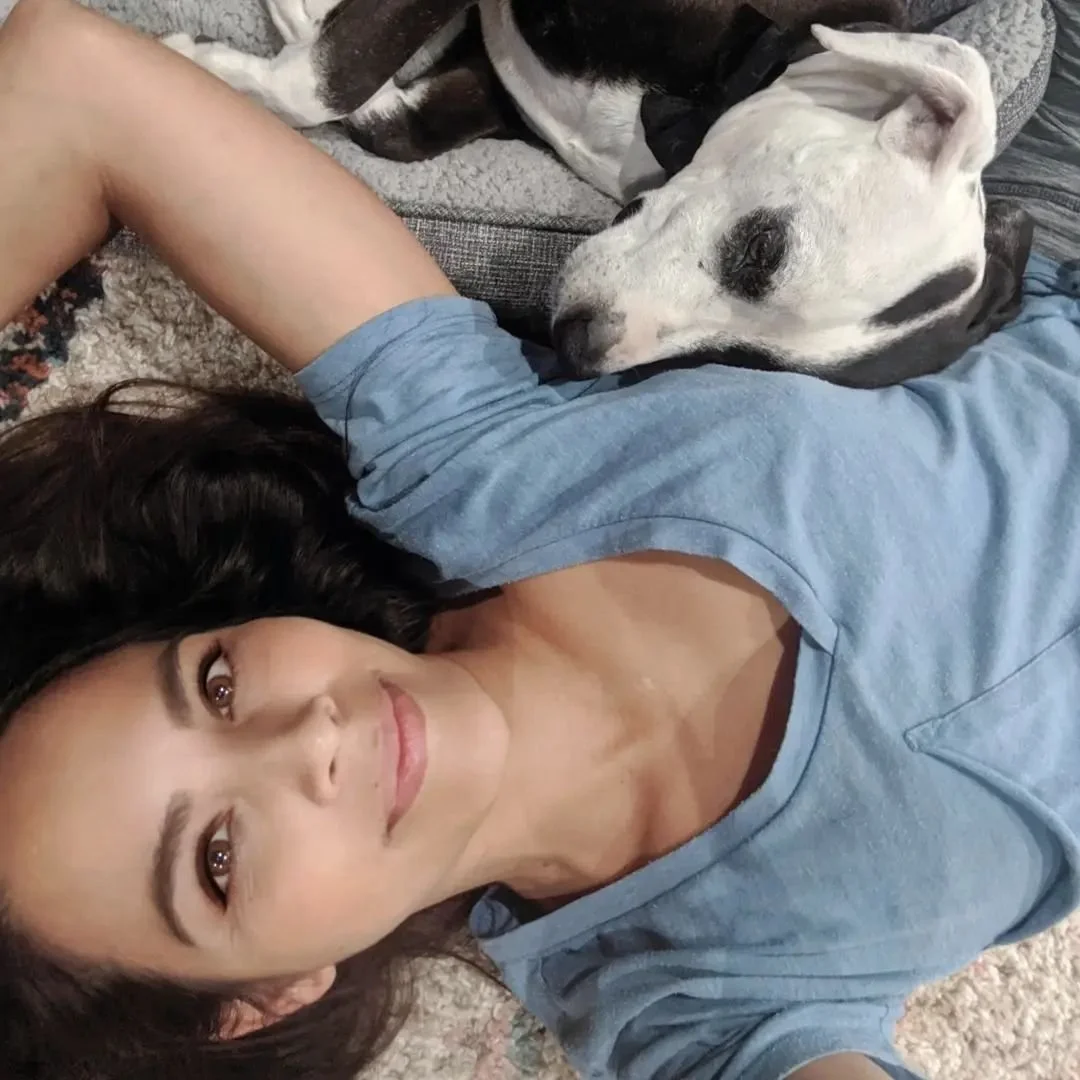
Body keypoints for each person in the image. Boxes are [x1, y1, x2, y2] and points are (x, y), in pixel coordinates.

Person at [0, 1, 1077, 1078]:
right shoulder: (685, 1003)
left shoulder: (467, 468)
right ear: (269, 999)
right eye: (218, 857)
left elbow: (71, 80)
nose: (310, 736)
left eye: (220, 684)